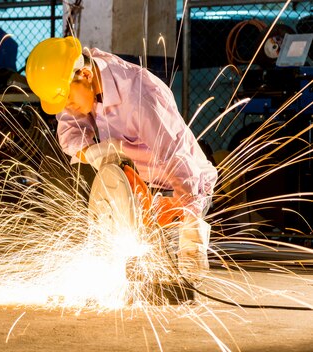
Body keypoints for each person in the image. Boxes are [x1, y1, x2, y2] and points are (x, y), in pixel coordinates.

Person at [25, 36, 218, 279]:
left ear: (85, 75)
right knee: (56, 164)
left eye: (70, 101)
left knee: (157, 272)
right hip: (138, 182)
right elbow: (69, 134)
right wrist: (95, 152)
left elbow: (178, 160)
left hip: (179, 189)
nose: (69, 108)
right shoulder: (83, 76)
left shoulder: (141, 95)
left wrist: (191, 227)